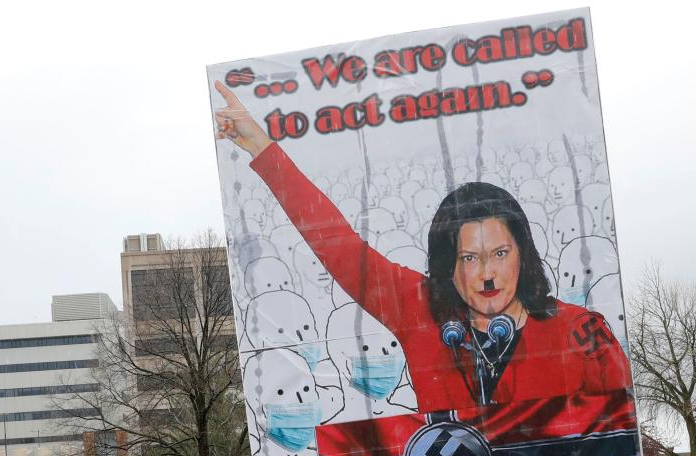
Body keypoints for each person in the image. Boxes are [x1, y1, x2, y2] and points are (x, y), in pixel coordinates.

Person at [213, 82, 632, 412]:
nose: (487, 274)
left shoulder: (582, 331)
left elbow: (621, 424)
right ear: (449, 265)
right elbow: (339, 245)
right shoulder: (421, 310)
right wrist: (261, 147)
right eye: (470, 258)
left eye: (500, 254)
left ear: (523, 254)